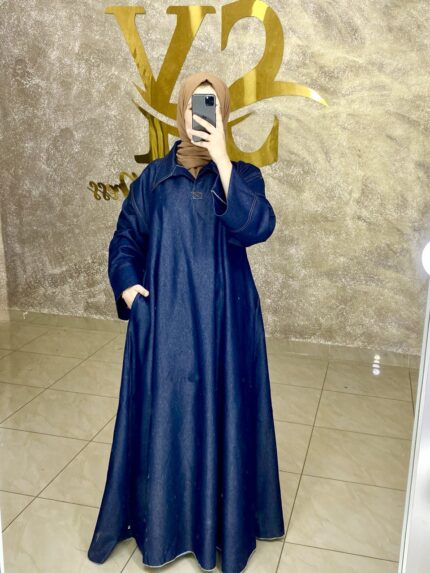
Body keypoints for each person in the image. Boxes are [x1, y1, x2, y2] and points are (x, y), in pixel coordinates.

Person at [87, 72, 284, 573]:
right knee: (168, 421)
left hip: (225, 327)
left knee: (224, 415)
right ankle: (165, 526)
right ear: (181, 110)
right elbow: (125, 238)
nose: (203, 114)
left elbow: (258, 225)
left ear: (224, 112)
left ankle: (222, 529)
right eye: (196, 105)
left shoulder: (243, 175)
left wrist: (222, 161)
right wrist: (128, 286)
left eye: (212, 105)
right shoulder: (153, 180)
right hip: (168, 326)